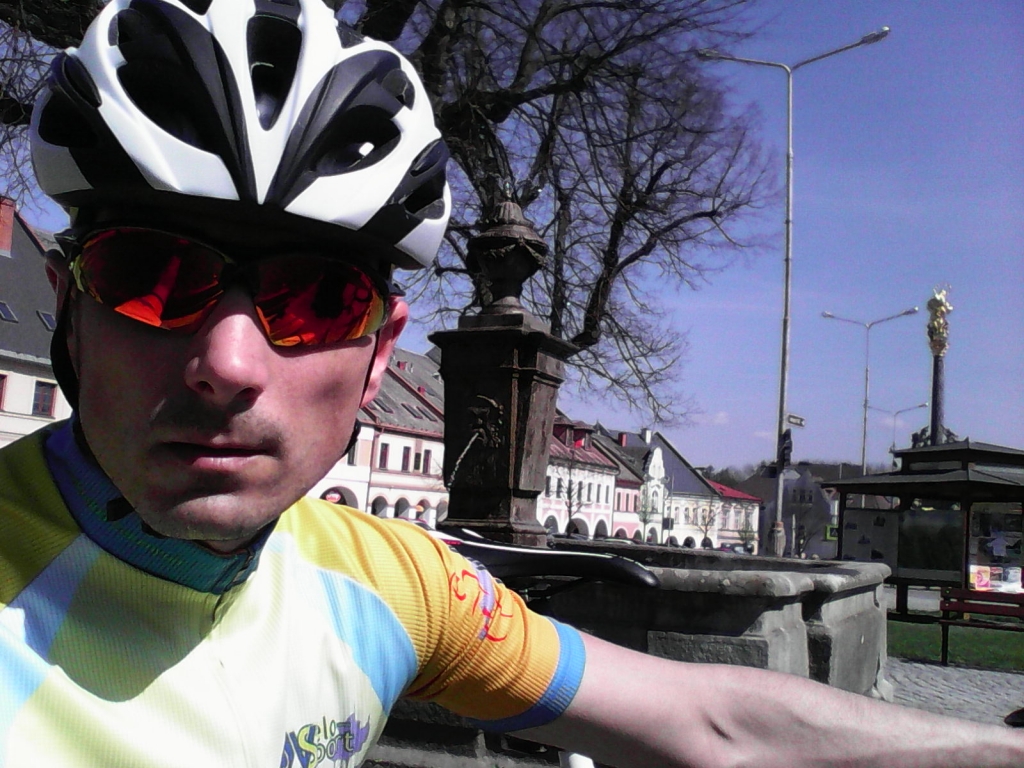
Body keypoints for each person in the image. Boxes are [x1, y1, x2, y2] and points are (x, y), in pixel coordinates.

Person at [1, 2, 1021, 766]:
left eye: (313, 301)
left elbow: (716, 723)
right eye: (148, 277)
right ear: (66, 307)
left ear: (380, 354)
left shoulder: (392, 583)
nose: (226, 363)